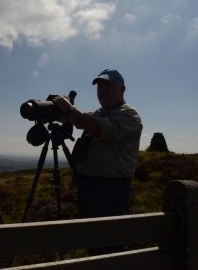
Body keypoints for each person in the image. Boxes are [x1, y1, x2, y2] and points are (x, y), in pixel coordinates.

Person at [52, 68, 143, 253]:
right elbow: (82, 120)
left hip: (111, 190)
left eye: (108, 85)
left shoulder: (129, 114)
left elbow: (96, 127)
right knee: (93, 243)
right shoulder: (100, 112)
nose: (103, 90)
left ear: (122, 89)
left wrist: (70, 110)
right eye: (100, 86)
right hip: (89, 189)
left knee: (110, 246)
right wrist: (54, 112)